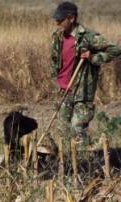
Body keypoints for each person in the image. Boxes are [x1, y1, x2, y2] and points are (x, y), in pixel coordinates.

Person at [50, 1, 121, 144]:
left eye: (60, 19)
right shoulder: (57, 37)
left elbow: (116, 50)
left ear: (71, 18)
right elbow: (54, 62)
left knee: (78, 131)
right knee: (62, 131)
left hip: (81, 92)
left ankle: (84, 164)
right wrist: (55, 82)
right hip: (62, 90)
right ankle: (67, 164)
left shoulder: (88, 37)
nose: (57, 22)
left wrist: (93, 57)